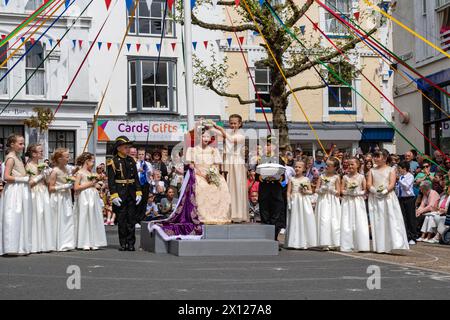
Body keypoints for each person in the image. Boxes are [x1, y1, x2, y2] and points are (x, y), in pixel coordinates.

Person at [185, 126, 231, 224]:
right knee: (201, 187)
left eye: (207, 137)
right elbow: (191, 166)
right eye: (203, 136)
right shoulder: (192, 150)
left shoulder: (214, 150)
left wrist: (212, 175)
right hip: (198, 174)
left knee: (220, 185)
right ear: (199, 137)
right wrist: (201, 175)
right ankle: (202, 215)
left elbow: (216, 165)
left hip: (211, 174)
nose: (206, 139)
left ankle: (218, 215)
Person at [367, 149, 409, 253]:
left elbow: (392, 183)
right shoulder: (372, 170)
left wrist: (385, 191)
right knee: (378, 220)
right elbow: (369, 183)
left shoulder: (391, 169)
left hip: (388, 197)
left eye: (378, 156)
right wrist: (374, 191)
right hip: (376, 197)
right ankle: (381, 246)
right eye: (375, 156)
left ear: (385, 158)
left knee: (391, 219)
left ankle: (394, 243)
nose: (375, 158)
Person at [107, 136, 142, 251]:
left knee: (131, 219)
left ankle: (131, 243)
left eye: (128, 147)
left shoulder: (131, 160)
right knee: (122, 219)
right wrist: (114, 195)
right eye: (125, 147)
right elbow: (111, 181)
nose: (128, 149)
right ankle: (123, 243)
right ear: (118, 148)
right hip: (120, 192)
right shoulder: (113, 162)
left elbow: (136, 178)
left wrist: (138, 191)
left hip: (131, 191)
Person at [0, 134, 32, 256]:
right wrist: (23, 179)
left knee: (21, 217)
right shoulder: (11, 158)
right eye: (20, 143)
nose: (23, 146)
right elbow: (6, 177)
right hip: (14, 190)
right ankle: (10, 246)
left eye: (23, 144)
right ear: (12, 144)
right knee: (13, 216)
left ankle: (19, 245)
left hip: (20, 190)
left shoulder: (18, 157)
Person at [213, 115, 249, 223]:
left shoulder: (241, 134)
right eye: (231, 123)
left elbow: (231, 140)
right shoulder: (228, 132)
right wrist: (209, 126)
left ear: (240, 124)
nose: (233, 125)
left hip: (236, 163)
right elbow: (220, 134)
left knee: (236, 186)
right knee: (228, 186)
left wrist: (219, 128)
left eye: (235, 123)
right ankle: (228, 212)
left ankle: (237, 213)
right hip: (227, 162)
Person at [73, 152, 107, 251]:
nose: (93, 163)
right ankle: (84, 241)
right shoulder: (80, 173)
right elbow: (76, 187)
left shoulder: (91, 173)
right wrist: (91, 183)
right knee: (84, 217)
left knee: (93, 217)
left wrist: (98, 184)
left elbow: (93, 185)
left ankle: (93, 241)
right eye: (92, 161)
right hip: (84, 196)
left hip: (93, 196)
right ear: (87, 161)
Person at [26, 144, 54, 253]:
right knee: (36, 216)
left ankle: (44, 243)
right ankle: (34, 244)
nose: (42, 153)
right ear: (33, 154)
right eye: (40, 151)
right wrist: (40, 175)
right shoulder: (28, 166)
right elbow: (29, 183)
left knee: (44, 217)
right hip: (35, 193)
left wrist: (47, 175)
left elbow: (47, 182)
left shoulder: (41, 165)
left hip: (43, 192)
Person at [340, 158, 370, 252]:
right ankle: (347, 244)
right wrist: (348, 191)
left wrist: (357, 192)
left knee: (359, 221)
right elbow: (341, 190)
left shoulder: (361, 177)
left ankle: (361, 244)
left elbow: (365, 190)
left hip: (358, 201)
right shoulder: (345, 177)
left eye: (352, 164)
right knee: (347, 221)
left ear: (358, 165)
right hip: (348, 201)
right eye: (349, 165)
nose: (350, 166)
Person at [285, 161, 317, 249]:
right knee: (294, 220)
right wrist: (289, 200)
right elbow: (288, 191)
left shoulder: (306, 179)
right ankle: (294, 241)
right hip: (294, 200)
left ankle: (304, 241)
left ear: (303, 169)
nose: (297, 168)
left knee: (304, 219)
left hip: (303, 201)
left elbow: (311, 191)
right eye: (295, 167)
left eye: (299, 167)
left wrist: (305, 191)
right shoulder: (292, 179)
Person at [49, 148, 75, 252]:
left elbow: (76, 169)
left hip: (66, 197)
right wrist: (64, 186)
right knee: (58, 219)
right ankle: (57, 243)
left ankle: (67, 242)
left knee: (67, 219)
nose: (69, 158)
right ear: (60, 159)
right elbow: (51, 188)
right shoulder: (55, 171)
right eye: (67, 157)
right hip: (57, 198)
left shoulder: (67, 169)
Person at [315, 157, 341, 250]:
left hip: (332, 200)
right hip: (323, 200)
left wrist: (331, 189)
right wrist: (322, 189)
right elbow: (316, 189)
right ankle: (324, 242)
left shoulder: (336, 177)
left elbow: (338, 192)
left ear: (334, 168)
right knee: (324, 219)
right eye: (326, 164)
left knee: (333, 220)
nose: (326, 167)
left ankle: (334, 242)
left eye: (329, 165)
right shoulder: (322, 176)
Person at [396, 161, 417, 245]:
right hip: (401, 198)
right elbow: (398, 189)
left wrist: (399, 181)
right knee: (403, 218)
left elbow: (406, 187)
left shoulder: (410, 176)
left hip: (409, 199)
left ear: (404, 169)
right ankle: (406, 236)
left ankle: (413, 237)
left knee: (410, 218)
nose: (398, 170)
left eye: (399, 168)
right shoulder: (400, 177)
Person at [136, 148, 153, 225]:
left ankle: (142, 218)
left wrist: (147, 170)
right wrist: (138, 170)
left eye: (142, 154)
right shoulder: (135, 163)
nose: (141, 156)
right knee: (138, 202)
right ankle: (136, 219)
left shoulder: (148, 164)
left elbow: (151, 173)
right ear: (137, 155)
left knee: (144, 201)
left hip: (146, 184)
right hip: (138, 184)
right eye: (139, 154)